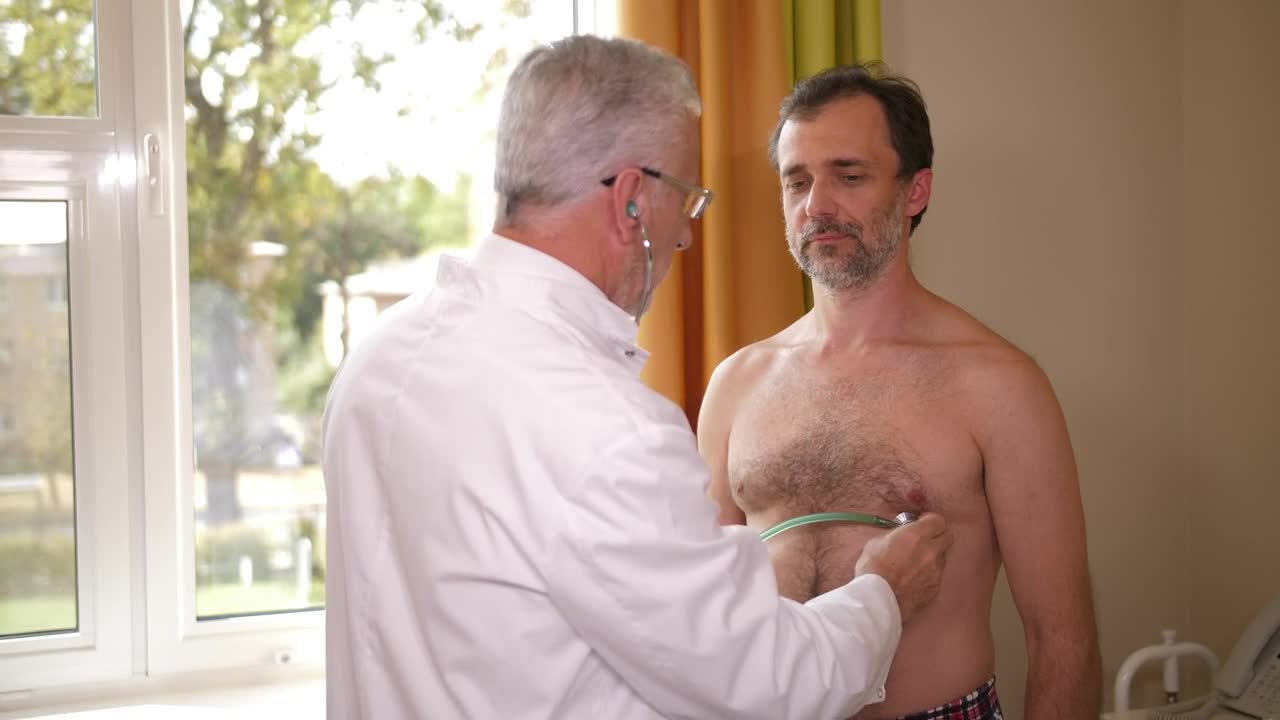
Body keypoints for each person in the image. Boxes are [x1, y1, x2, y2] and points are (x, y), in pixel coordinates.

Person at [322, 36, 952, 720]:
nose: (685, 236)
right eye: (683, 198)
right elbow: (768, 684)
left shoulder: (378, 358)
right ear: (630, 200)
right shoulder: (607, 429)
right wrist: (882, 592)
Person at [698, 63, 1102, 719]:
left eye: (848, 176)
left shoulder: (999, 385)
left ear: (915, 191)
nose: (816, 205)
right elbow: (702, 612)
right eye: (796, 181)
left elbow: (1062, 640)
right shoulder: (738, 383)